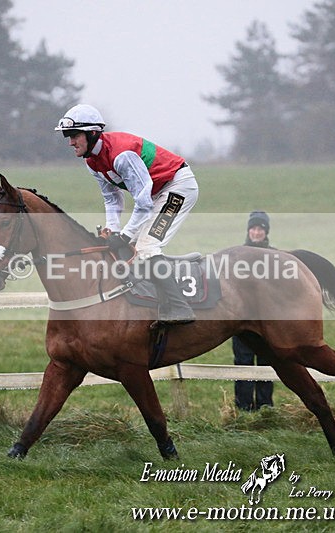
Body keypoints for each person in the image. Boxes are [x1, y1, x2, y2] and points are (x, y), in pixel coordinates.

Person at [55, 103, 198, 324]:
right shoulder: (92, 162)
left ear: (92, 133)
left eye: (74, 135)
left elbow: (142, 203)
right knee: (134, 245)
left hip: (178, 187)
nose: (71, 142)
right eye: (68, 136)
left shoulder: (122, 155)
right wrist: (112, 230)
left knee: (147, 246)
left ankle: (181, 307)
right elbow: (111, 198)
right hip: (157, 192)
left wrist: (125, 235)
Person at [232, 211, 274, 410]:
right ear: (249, 230)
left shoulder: (275, 257)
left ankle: (266, 407)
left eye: (260, 229)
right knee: (243, 363)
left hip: (268, 322)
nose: (256, 232)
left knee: (268, 363)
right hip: (242, 321)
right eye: (253, 228)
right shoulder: (238, 256)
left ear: (266, 232)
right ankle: (243, 408)